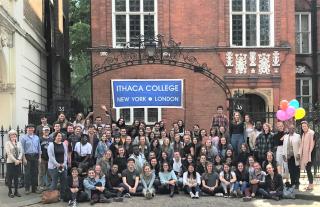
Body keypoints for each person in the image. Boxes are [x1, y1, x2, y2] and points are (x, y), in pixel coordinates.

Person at [20, 124, 41, 194]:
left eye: (32, 128)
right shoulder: (23, 138)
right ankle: (27, 189)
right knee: (27, 173)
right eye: (29, 128)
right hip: (27, 156)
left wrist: (39, 157)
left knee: (35, 172)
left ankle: (34, 189)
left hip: (35, 156)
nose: (30, 129)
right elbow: (22, 149)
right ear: (27, 129)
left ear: (34, 129)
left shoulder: (37, 137)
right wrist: (24, 158)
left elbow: (39, 148)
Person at [47, 132, 68, 197]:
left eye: (60, 136)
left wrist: (64, 163)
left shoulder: (63, 144)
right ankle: (51, 196)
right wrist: (57, 165)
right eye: (58, 136)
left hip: (63, 166)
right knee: (54, 182)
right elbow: (51, 156)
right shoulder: (51, 145)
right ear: (55, 137)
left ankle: (63, 195)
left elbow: (65, 155)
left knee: (63, 181)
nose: (59, 137)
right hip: (54, 167)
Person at [5, 129, 23, 198]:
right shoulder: (7, 143)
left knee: (16, 177)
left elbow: (21, 151)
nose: (13, 136)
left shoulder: (19, 143)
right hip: (10, 163)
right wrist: (15, 160)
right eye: (12, 135)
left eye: (15, 134)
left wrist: (18, 159)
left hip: (18, 162)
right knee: (10, 177)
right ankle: (10, 192)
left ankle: (16, 191)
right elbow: (9, 153)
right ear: (9, 136)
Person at [282, 124, 301, 188]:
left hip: (296, 156)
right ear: (288, 129)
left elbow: (300, 146)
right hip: (289, 157)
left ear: (294, 129)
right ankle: (293, 183)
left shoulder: (298, 136)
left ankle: (297, 183)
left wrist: (299, 154)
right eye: (290, 128)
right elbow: (284, 146)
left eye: (293, 128)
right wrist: (284, 155)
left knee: (296, 170)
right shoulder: (286, 136)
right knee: (291, 170)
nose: (291, 130)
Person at [299, 121, 316, 190]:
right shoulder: (303, 134)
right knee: (308, 169)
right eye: (302, 126)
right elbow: (302, 145)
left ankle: (311, 185)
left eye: (305, 126)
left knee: (308, 169)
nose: (304, 127)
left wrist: (309, 155)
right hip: (306, 154)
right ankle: (310, 184)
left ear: (308, 126)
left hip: (310, 154)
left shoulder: (311, 133)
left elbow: (312, 145)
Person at [38, 126, 51, 192]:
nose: (46, 132)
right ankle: (40, 186)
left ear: (49, 131)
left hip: (49, 159)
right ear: (43, 131)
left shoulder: (51, 139)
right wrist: (39, 158)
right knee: (41, 173)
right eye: (45, 130)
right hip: (42, 158)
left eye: (47, 130)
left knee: (49, 173)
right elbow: (38, 149)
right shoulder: (40, 139)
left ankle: (48, 186)